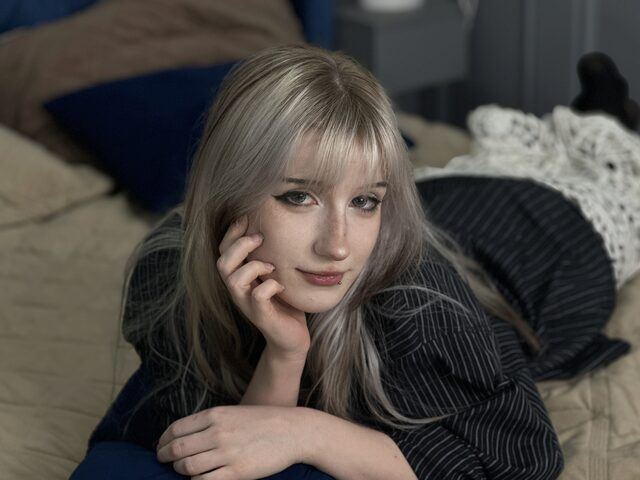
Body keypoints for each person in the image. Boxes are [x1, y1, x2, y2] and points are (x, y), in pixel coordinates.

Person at [69, 43, 634, 480]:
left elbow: (524, 460)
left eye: (365, 201)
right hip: (447, 206)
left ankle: (610, 111)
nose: (337, 246)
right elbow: (230, 445)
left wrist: (312, 433)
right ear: (228, 196)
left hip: (544, 240)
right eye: (299, 197)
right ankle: (599, 108)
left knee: (608, 171)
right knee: (515, 157)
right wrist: (285, 354)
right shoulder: (170, 270)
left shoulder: (417, 305)